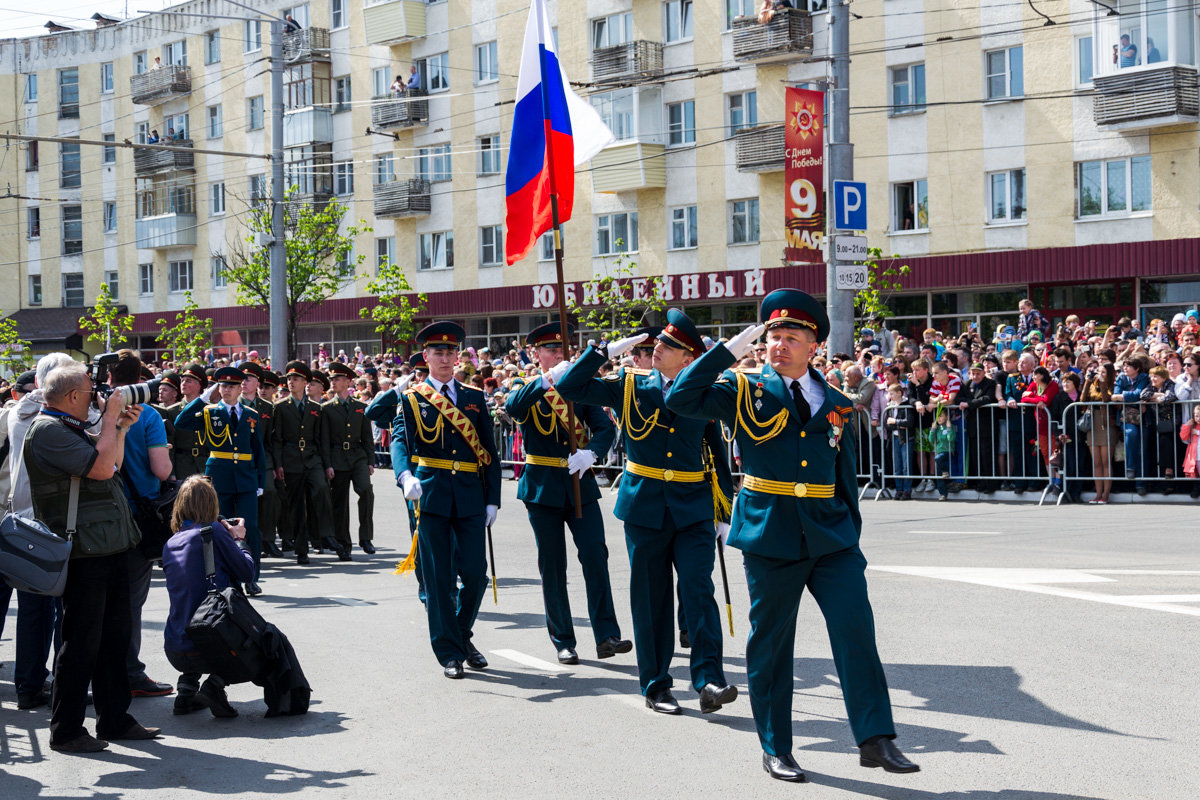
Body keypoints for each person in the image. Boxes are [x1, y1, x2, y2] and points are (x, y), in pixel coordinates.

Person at [668, 289, 919, 782]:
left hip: (832, 540)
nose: (779, 345)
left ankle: (875, 738)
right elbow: (680, 395)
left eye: (791, 338)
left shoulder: (840, 406)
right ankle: (776, 747)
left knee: (856, 633)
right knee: (772, 646)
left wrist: (851, 539)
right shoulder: (743, 391)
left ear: (814, 346)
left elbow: (845, 481)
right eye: (773, 337)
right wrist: (727, 351)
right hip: (771, 536)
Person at [557, 308, 735, 715]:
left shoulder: (704, 390)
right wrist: (601, 351)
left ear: (689, 358)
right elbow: (571, 386)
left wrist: (724, 509)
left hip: (693, 507)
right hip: (645, 506)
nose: (658, 347)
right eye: (659, 341)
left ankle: (708, 678)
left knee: (698, 589)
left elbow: (717, 453)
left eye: (670, 345)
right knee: (651, 598)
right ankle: (656, 685)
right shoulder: (629, 384)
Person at [25, 363, 160, 753]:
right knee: (81, 642)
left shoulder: (70, 426)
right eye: (90, 392)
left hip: (108, 543)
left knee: (114, 639)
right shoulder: (48, 430)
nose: (98, 396)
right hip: (85, 550)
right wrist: (111, 417)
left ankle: (114, 719)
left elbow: (113, 461)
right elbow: (102, 469)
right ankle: (66, 730)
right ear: (71, 397)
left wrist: (119, 427)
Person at [504, 322, 629, 664]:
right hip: (542, 487)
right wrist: (547, 380)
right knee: (554, 565)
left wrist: (592, 453)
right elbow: (514, 408)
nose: (558, 355)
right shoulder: (525, 386)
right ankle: (563, 639)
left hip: (580, 483)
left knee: (595, 555)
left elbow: (604, 427)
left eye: (562, 350)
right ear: (536, 354)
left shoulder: (581, 387)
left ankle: (607, 635)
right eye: (550, 350)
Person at [391, 322, 501, 679]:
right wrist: (405, 475)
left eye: (451, 352)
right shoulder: (412, 397)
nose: (445, 358)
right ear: (426, 357)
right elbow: (399, 442)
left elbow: (490, 450)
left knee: (476, 575)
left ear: (458, 357)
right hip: (433, 495)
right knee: (439, 580)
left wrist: (493, 499)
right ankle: (449, 653)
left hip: (470, 495)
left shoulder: (473, 397)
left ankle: (461, 635)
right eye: (438, 352)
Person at [161, 476, 253, 717]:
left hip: (175, 647)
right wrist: (239, 540)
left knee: (194, 609)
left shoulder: (171, 542)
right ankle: (216, 684)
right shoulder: (213, 531)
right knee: (257, 638)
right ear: (212, 503)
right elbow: (246, 572)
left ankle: (186, 691)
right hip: (208, 647)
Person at [174, 366, 266, 593]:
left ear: (240, 388)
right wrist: (204, 397)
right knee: (220, 527)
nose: (226, 390)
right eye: (223, 385)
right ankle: (224, 576)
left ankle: (251, 576)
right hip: (219, 476)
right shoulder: (209, 411)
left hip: (245, 477)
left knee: (251, 527)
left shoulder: (251, 415)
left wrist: (261, 482)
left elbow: (259, 450)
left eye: (231, 386)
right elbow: (181, 422)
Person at [272, 361, 341, 564]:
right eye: (289, 379)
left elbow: (322, 439)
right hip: (291, 458)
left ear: (305, 382)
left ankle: (325, 534)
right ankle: (301, 549)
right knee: (297, 505)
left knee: (321, 489)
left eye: (296, 379)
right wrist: (278, 464)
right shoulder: (281, 407)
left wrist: (327, 464)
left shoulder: (315, 408)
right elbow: (276, 440)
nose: (291, 382)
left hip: (312, 457)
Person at [320, 362, 376, 556]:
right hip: (337, 458)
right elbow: (324, 440)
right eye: (332, 379)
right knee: (340, 502)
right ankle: (343, 544)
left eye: (337, 379)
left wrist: (370, 460)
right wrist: (327, 464)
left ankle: (366, 537)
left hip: (358, 456)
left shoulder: (360, 407)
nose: (333, 382)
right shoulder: (326, 408)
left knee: (366, 491)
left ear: (348, 382)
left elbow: (367, 437)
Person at [242, 364, 285, 559]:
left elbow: (273, 440)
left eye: (248, 379)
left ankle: (267, 539)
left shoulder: (267, 408)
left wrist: (277, 465)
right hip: (241, 458)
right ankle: (246, 542)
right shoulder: (234, 404)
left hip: (264, 459)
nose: (243, 383)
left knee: (270, 494)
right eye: (242, 379)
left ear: (257, 383)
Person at [171, 363, 211, 480]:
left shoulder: (210, 410)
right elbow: (170, 446)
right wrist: (171, 473)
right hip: (182, 467)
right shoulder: (171, 411)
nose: (183, 383)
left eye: (188, 381)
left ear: (199, 386)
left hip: (204, 465)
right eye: (182, 380)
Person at [884, 382, 917, 499]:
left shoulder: (906, 404)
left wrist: (895, 422)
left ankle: (907, 490)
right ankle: (899, 490)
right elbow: (887, 424)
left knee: (906, 466)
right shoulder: (890, 406)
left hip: (906, 438)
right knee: (897, 466)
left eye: (892, 393)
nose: (890, 396)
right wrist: (898, 424)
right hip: (895, 438)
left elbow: (909, 422)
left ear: (899, 393)